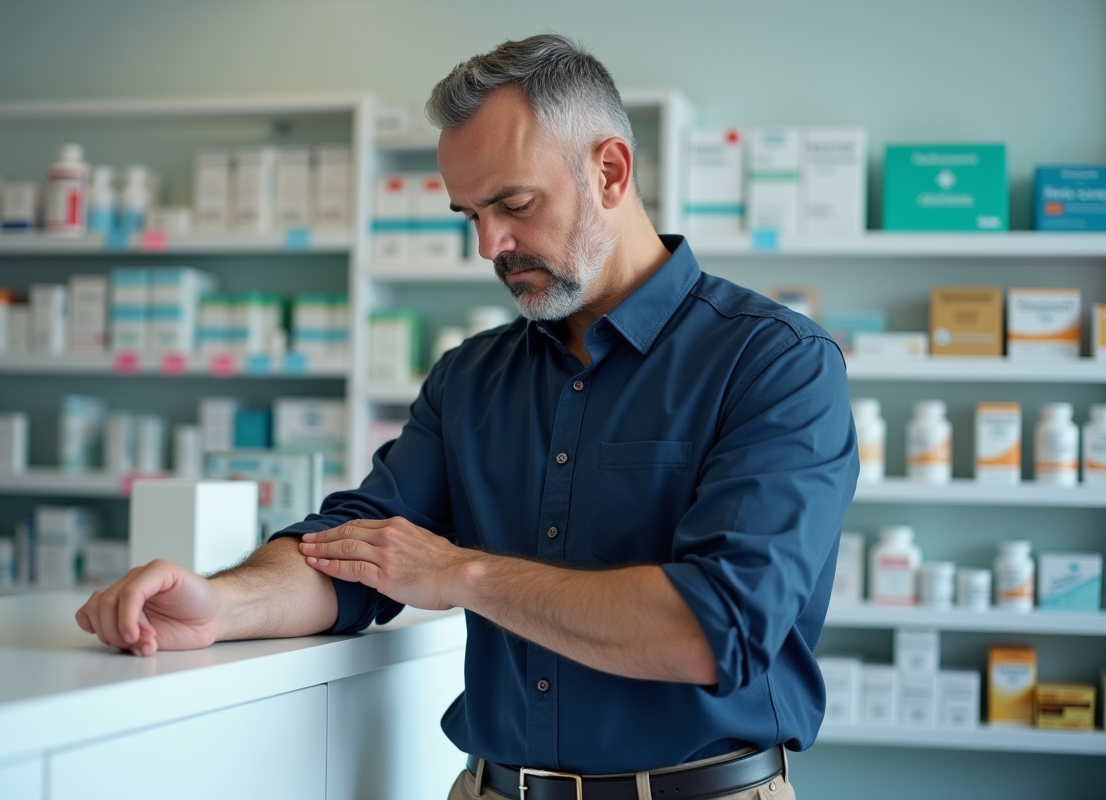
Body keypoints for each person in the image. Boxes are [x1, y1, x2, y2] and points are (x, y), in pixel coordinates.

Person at [77, 33, 858, 800]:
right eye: (469, 214)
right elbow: (355, 547)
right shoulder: (472, 377)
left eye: (514, 204)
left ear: (611, 171)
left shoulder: (775, 362)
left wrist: (459, 573)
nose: (490, 244)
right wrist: (221, 605)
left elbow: (712, 629)